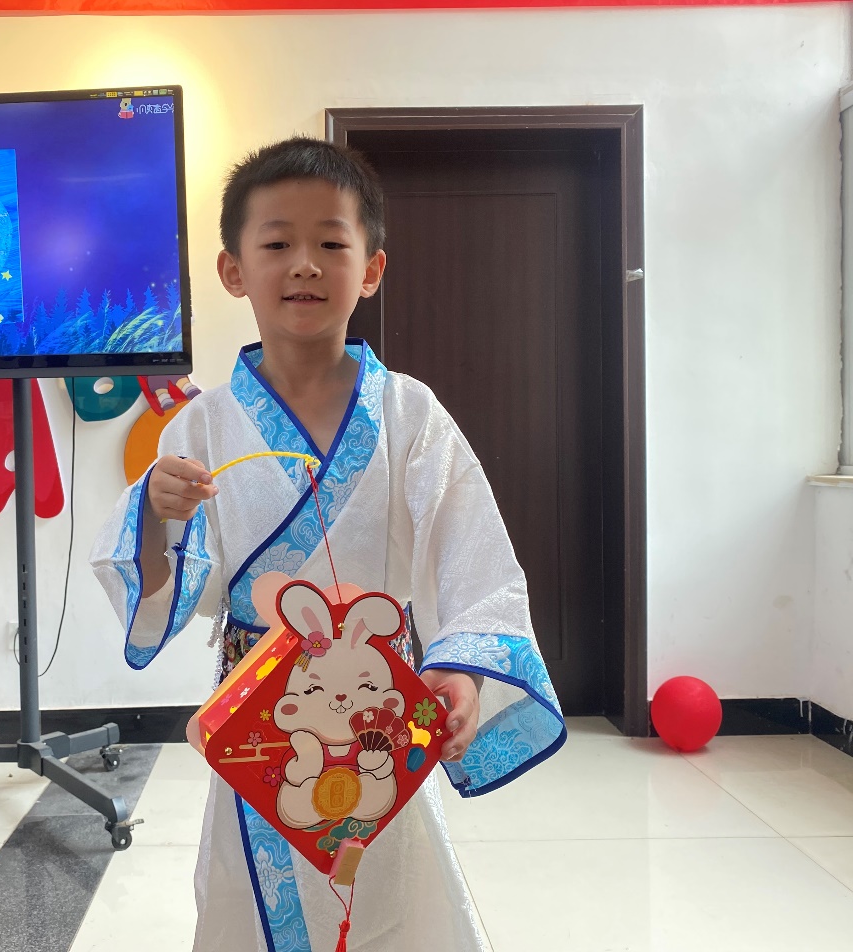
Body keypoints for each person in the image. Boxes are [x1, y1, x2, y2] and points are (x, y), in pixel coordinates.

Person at [92, 137, 565, 952]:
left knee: (391, 885)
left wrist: (458, 668)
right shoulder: (202, 426)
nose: (304, 264)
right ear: (233, 270)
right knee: (250, 897)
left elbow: (471, 555)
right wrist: (153, 514)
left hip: (381, 704)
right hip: (263, 716)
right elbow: (176, 582)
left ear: (370, 269)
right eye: (277, 243)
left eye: (330, 244)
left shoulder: (409, 413)